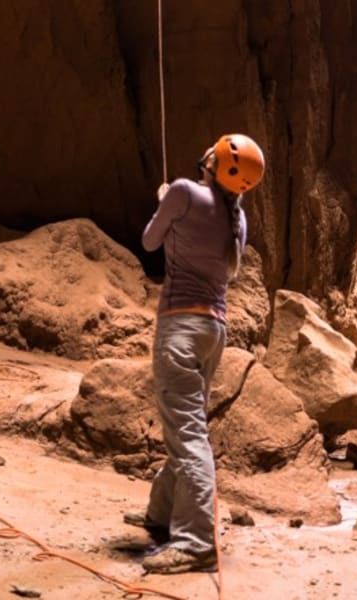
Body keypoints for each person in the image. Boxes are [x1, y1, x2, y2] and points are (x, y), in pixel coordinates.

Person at [128, 133, 265, 575]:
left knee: (187, 434)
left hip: (181, 326)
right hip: (214, 330)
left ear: (217, 161)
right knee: (186, 424)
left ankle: (195, 543)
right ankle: (162, 516)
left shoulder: (185, 193)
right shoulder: (237, 220)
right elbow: (225, 266)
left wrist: (166, 201)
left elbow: (150, 242)